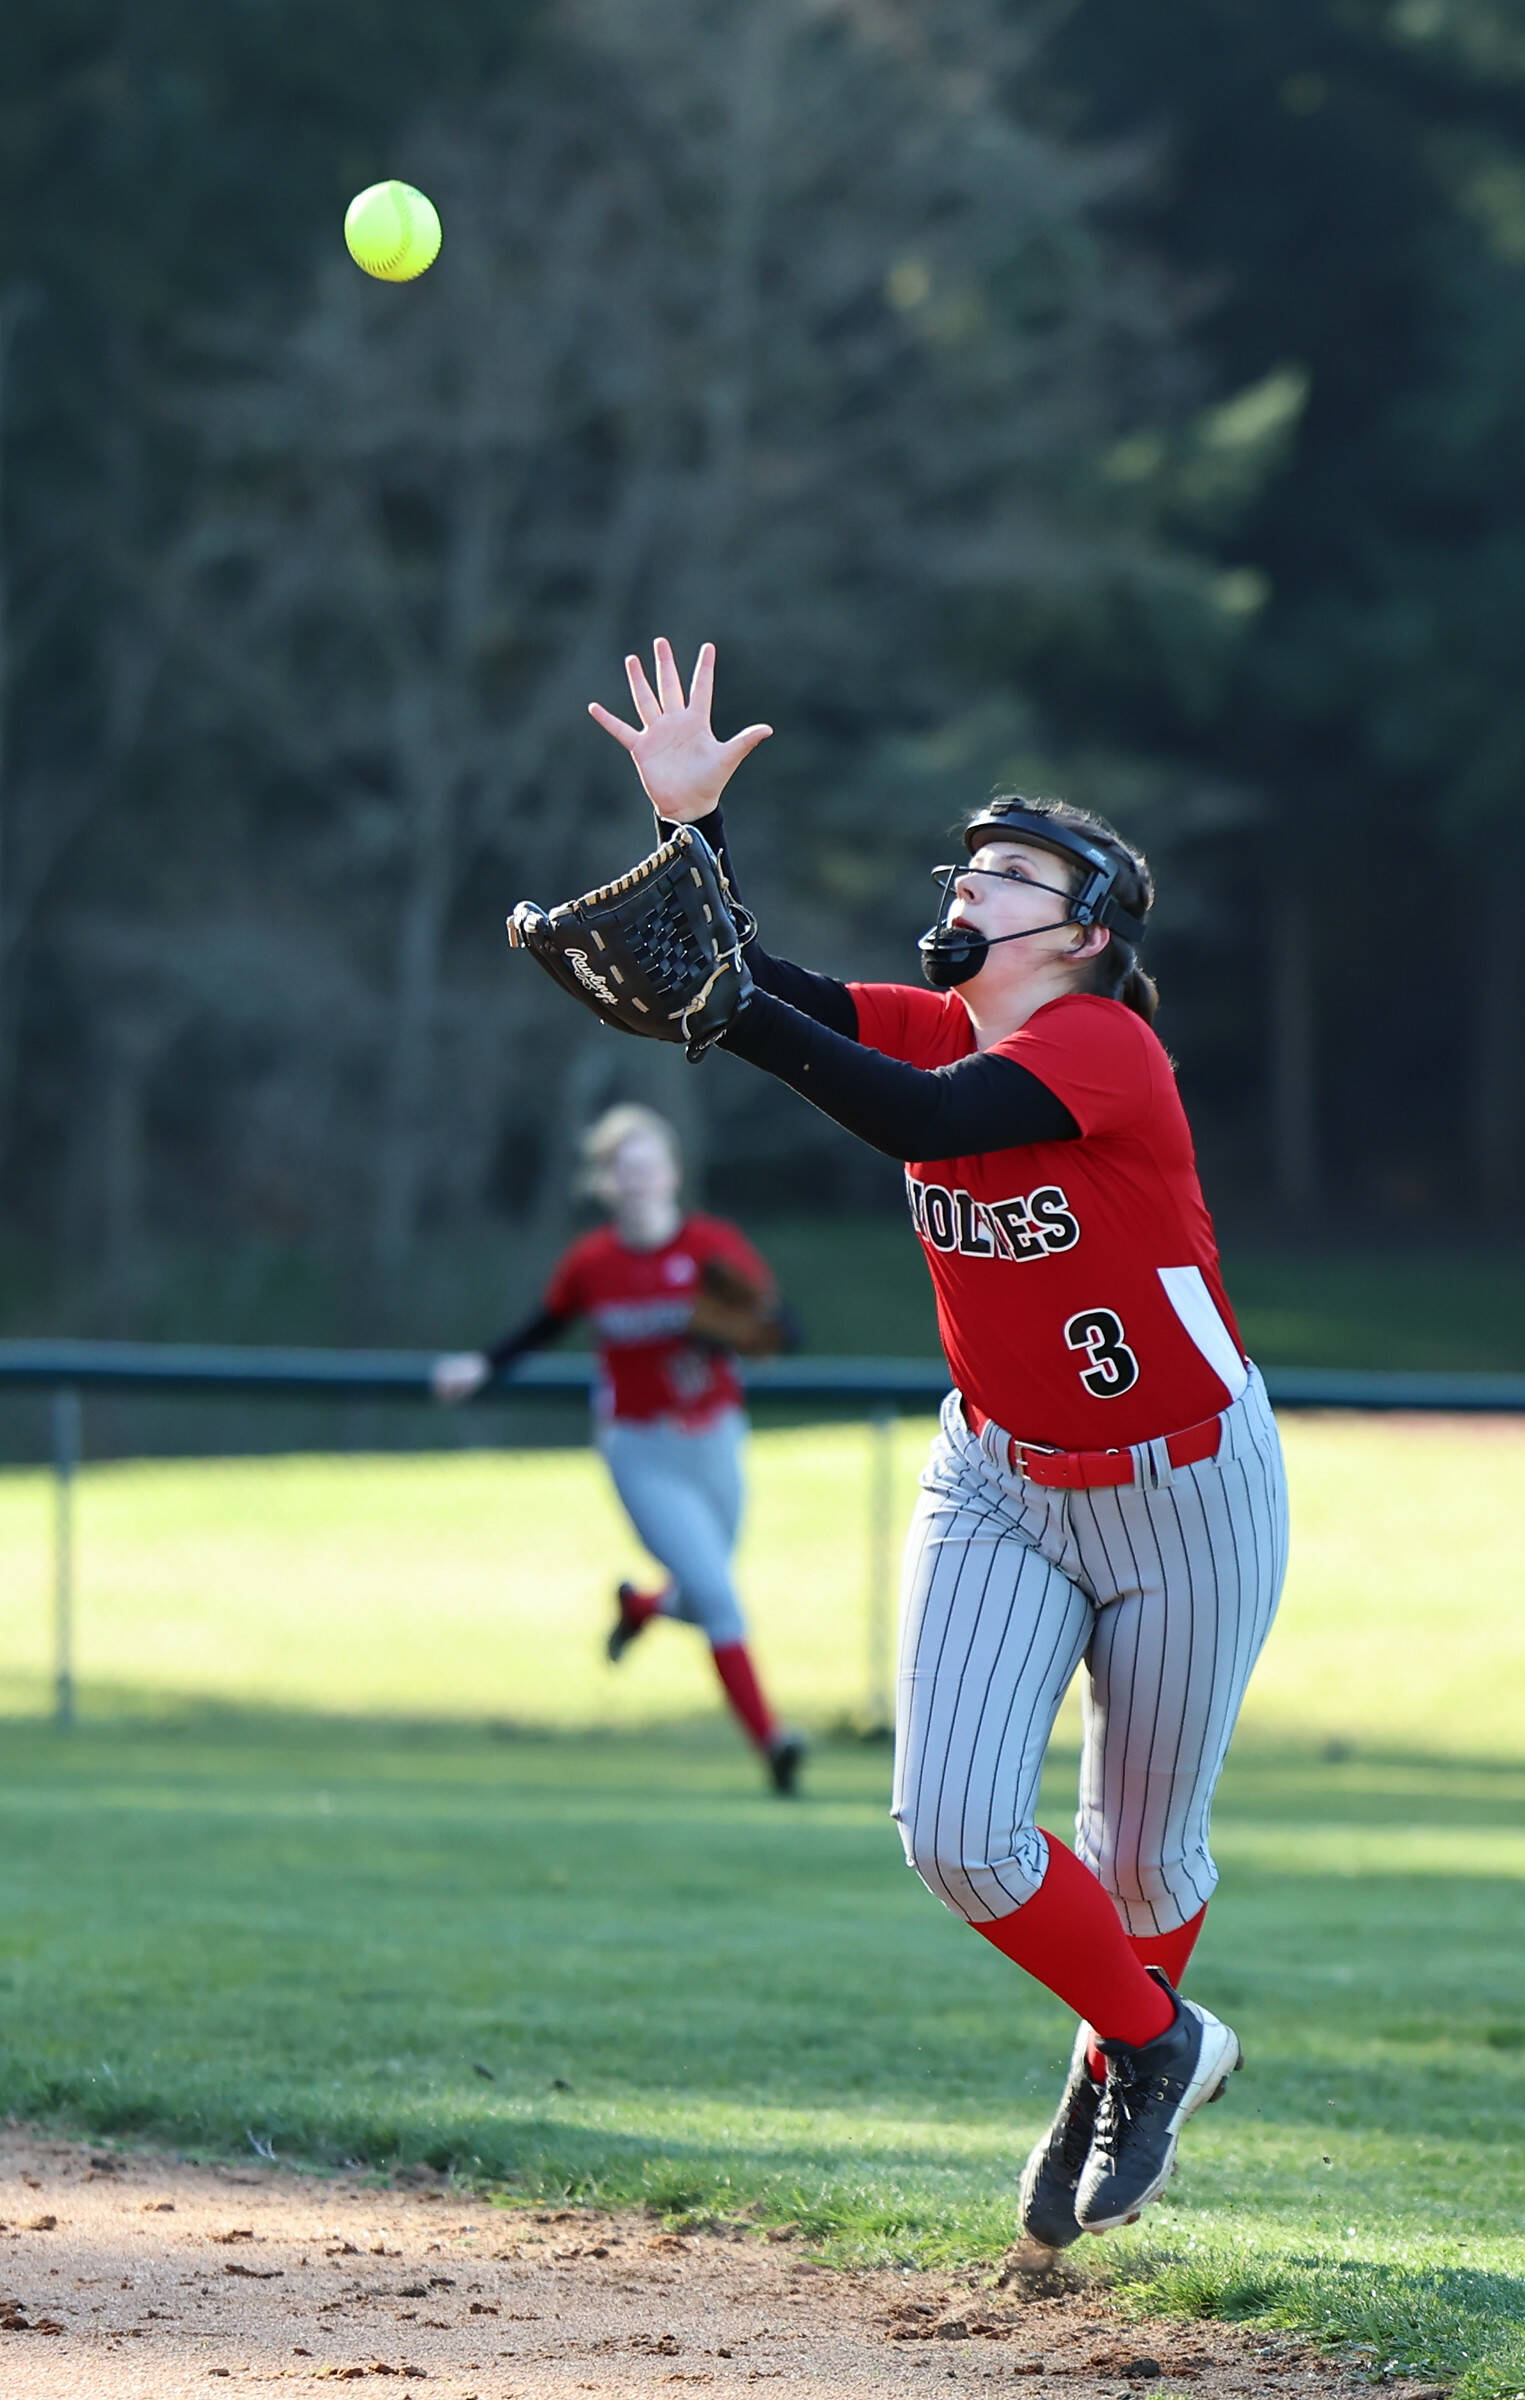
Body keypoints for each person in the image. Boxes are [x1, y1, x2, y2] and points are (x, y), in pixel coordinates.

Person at [582, 637, 1289, 2244]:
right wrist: (692, 834)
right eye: (966, 865)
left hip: (1189, 1491)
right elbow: (772, 995)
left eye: (1012, 874)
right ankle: (1156, 2042)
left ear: (1085, 929)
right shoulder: (929, 1023)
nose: (972, 886)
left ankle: (1115, 2067)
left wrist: (729, 1008)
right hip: (1001, 1482)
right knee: (956, 1829)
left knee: (1146, 1855)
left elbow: (919, 1120)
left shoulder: (1103, 1046)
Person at [432, 1102, 807, 1797]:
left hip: (716, 1438)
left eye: (647, 1167)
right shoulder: (593, 1264)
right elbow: (544, 1326)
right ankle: (774, 1744)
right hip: (640, 1450)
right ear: (604, 1183)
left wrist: (751, 1326)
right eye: (621, 1171)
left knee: (704, 1593)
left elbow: (785, 1329)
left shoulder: (709, 1248)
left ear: (671, 1173)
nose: (636, 1182)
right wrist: (482, 1367)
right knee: (720, 1599)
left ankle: (640, 1610)